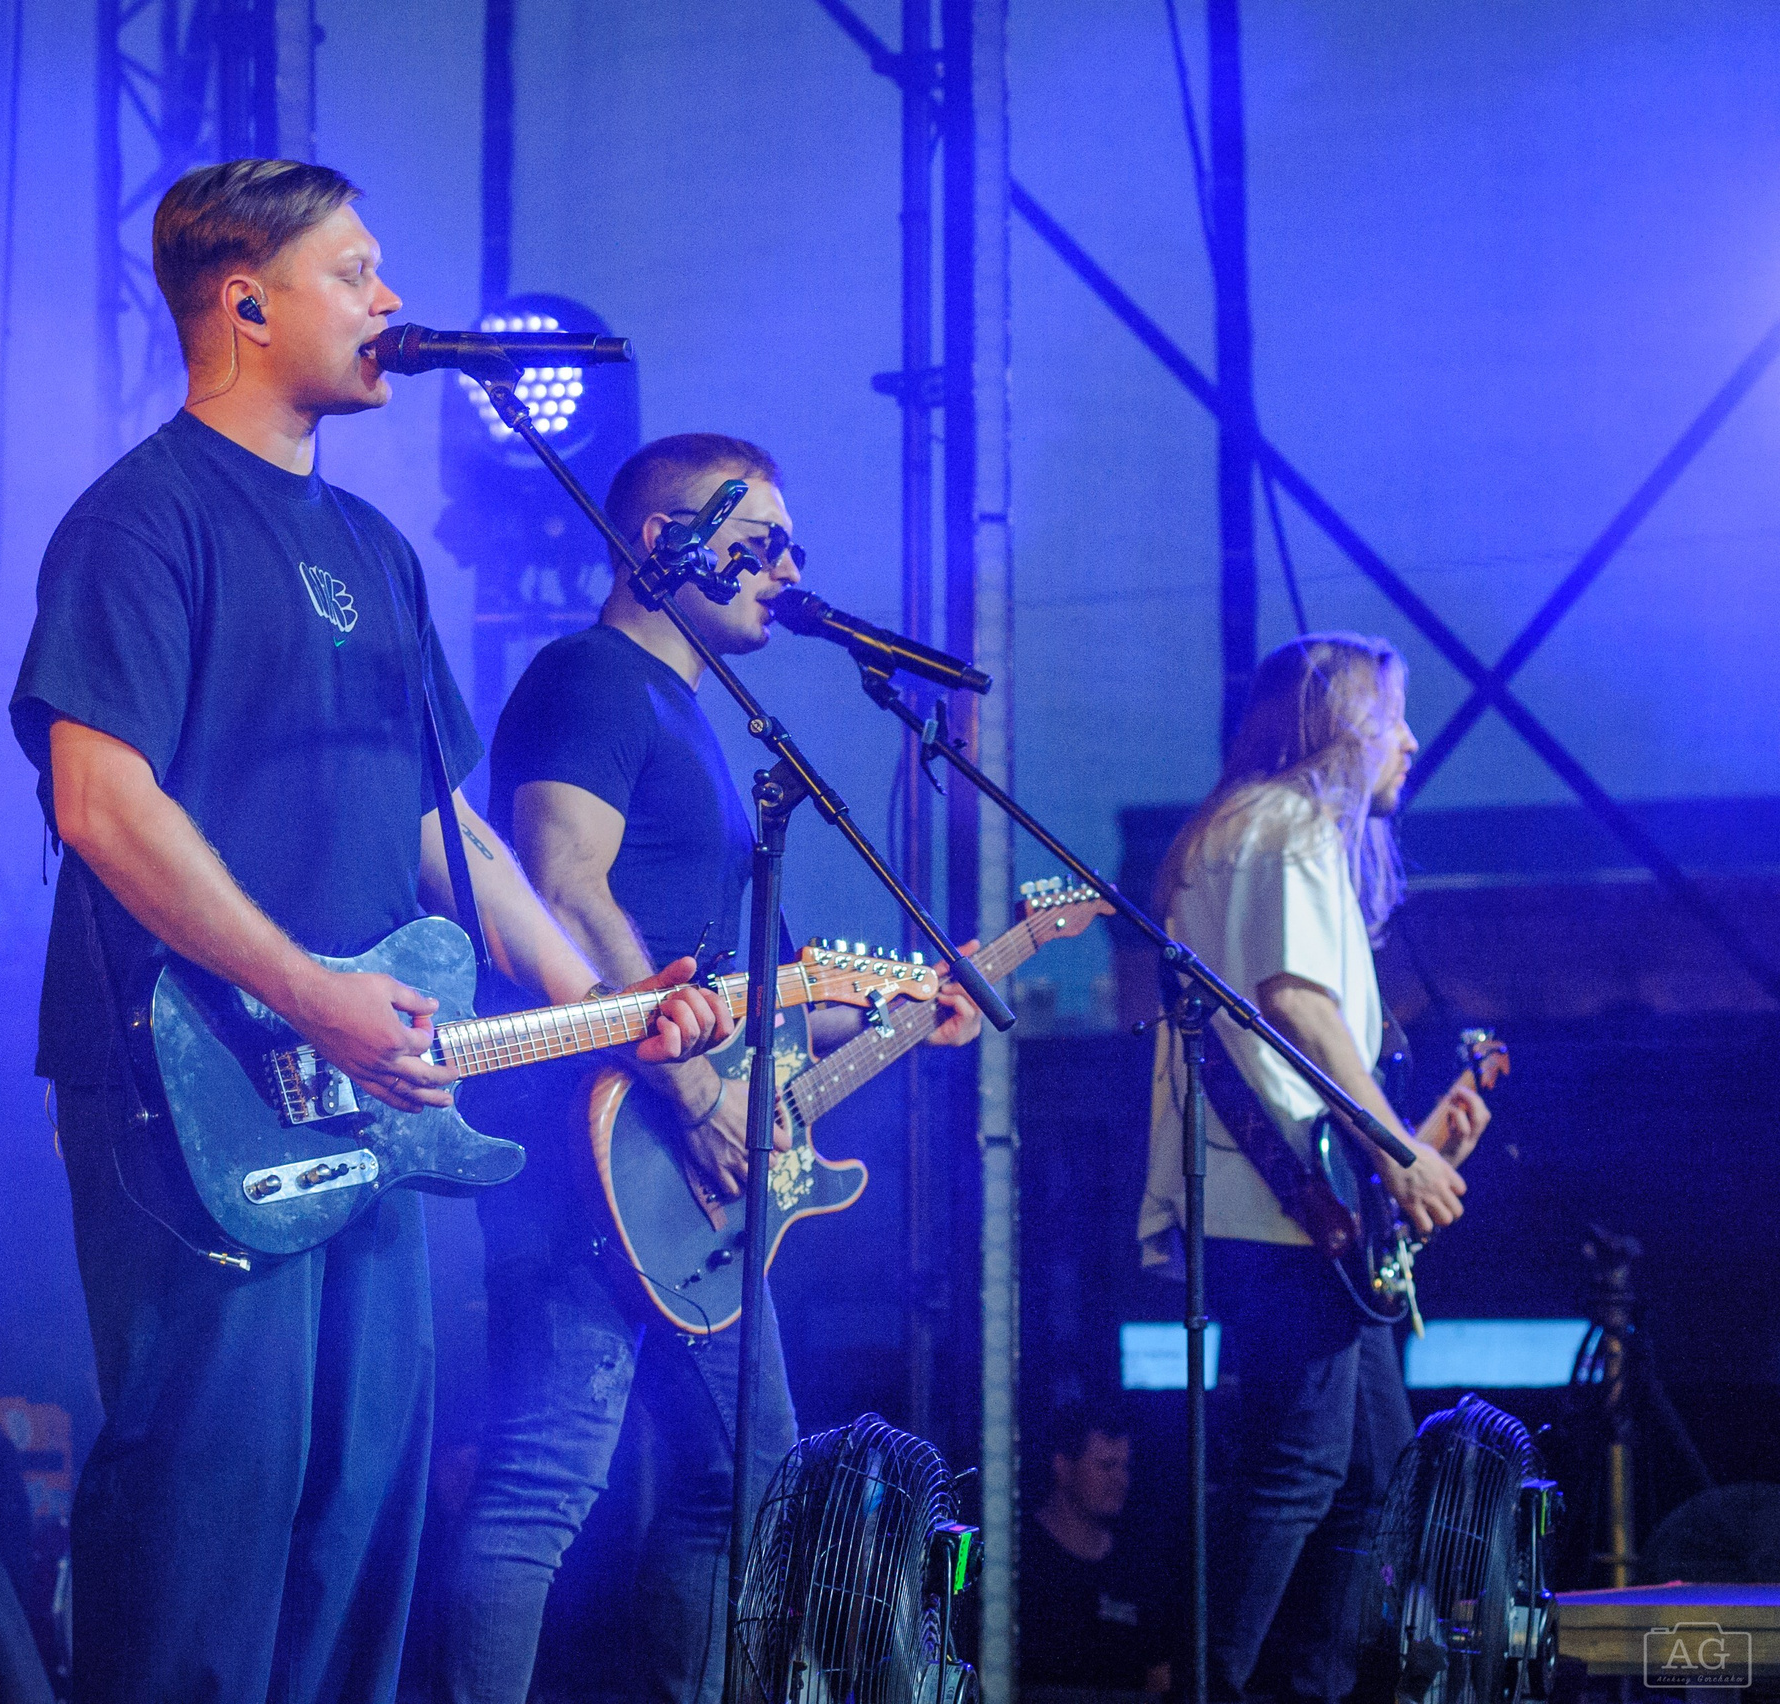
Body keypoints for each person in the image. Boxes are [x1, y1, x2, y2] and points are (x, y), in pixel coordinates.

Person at [8, 160, 733, 1704]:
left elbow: (443, 831)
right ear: (247, 301)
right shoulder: (141, 519)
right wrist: (304, 992)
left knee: (359, 1506)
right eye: (354, 270)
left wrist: (611, 1002)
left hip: (369, 1094)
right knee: (213, 1498)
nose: (391, 300)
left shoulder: (375, 550)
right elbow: (100, 802)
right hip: (197, 1081)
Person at [436, 433, 983, 1704]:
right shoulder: (588, 678)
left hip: (681, 1168)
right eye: (758, 544)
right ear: (661, 542)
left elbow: (761, 1009)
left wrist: (904, 1011)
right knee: (545, 1482)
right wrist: (687, 1091)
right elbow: (560, 887)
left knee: (741, 1483)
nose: (786, 570)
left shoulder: (695, 714)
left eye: (792, 548)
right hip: (594, 1143)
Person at [1137, 634, 1492, 1703]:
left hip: (1290, 1200)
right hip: (1281, 1209)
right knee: (1298, 1471)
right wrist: (1400, 1151)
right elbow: (1296, 1005)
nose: (1411, 742)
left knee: (1373, 1480)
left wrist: (1402, 1139)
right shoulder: (1284, 823)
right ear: (1337, 725)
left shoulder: (1243, 827)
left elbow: (1280, 1039)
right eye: (1392, 717)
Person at [1018, 1400, 1176, 1702]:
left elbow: (1159, 1678)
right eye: (1106, 1466)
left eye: (1125, 1467)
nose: (1120, 1480)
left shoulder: (1139, 1568)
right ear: (1063, 1467)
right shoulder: (1020, 1559)